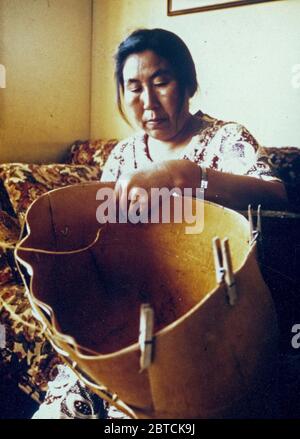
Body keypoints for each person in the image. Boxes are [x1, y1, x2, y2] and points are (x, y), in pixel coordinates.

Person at [101, 28, 288, 214]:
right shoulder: (122, 155)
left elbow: (276, 197)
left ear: (188, 85)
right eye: (135, 89)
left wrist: (182, 175)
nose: (149, 103)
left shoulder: (227, 139)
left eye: (161, 83)